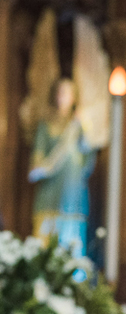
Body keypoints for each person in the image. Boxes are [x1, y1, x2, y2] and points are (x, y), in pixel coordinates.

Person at [29, 78, 95, 257]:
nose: (62, 97)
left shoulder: (79, 127)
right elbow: (37, 164)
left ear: (74, 97)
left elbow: (87, 164)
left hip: (73, 199)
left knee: (73, 254)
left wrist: (81, 127)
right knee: (43, 252)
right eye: (59, 92)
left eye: (67, 92)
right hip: (49, 198)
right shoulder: (46, 125)